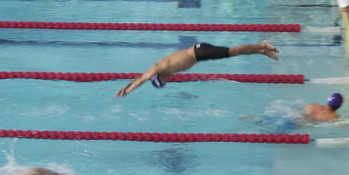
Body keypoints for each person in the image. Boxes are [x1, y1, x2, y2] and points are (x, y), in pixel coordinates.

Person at [113, 41, 279, 97]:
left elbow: (142, 79)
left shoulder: (159, 67)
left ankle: (261, 45)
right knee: (232, 53)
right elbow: (141, 77)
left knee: (232, 52)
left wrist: (127, 91)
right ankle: (260, 50)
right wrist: (126, 87)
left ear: (159, 77)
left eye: (163, 82)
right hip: (199, 54)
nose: (167, 81)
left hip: (199, 52)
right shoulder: (164, 70)